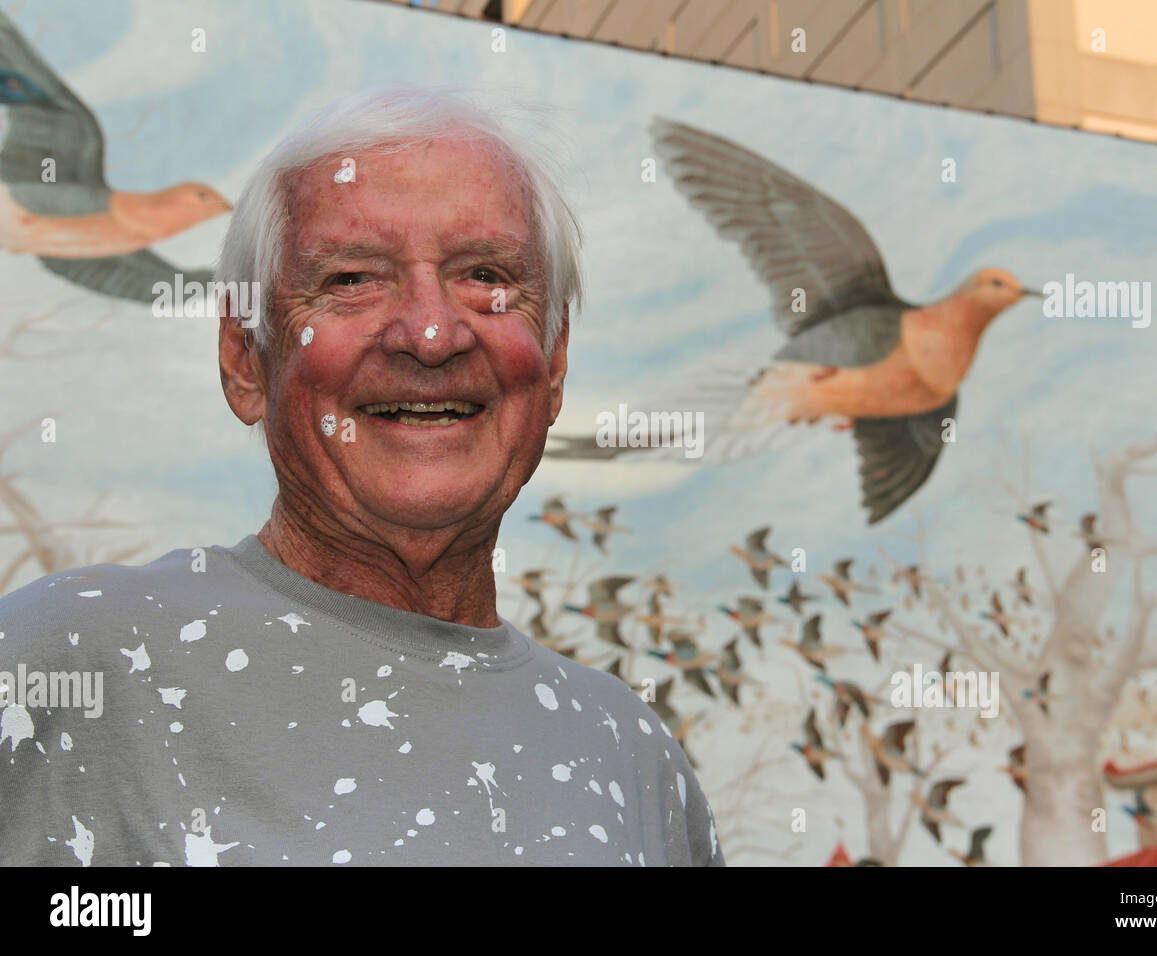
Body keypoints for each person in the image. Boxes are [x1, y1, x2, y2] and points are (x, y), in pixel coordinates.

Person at [0, 86, 723, 867]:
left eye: (486, 274)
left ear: (553, 363)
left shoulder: (631, 753)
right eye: (351, 278)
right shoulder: (70, 657)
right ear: (245, 359)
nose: (432, 333)